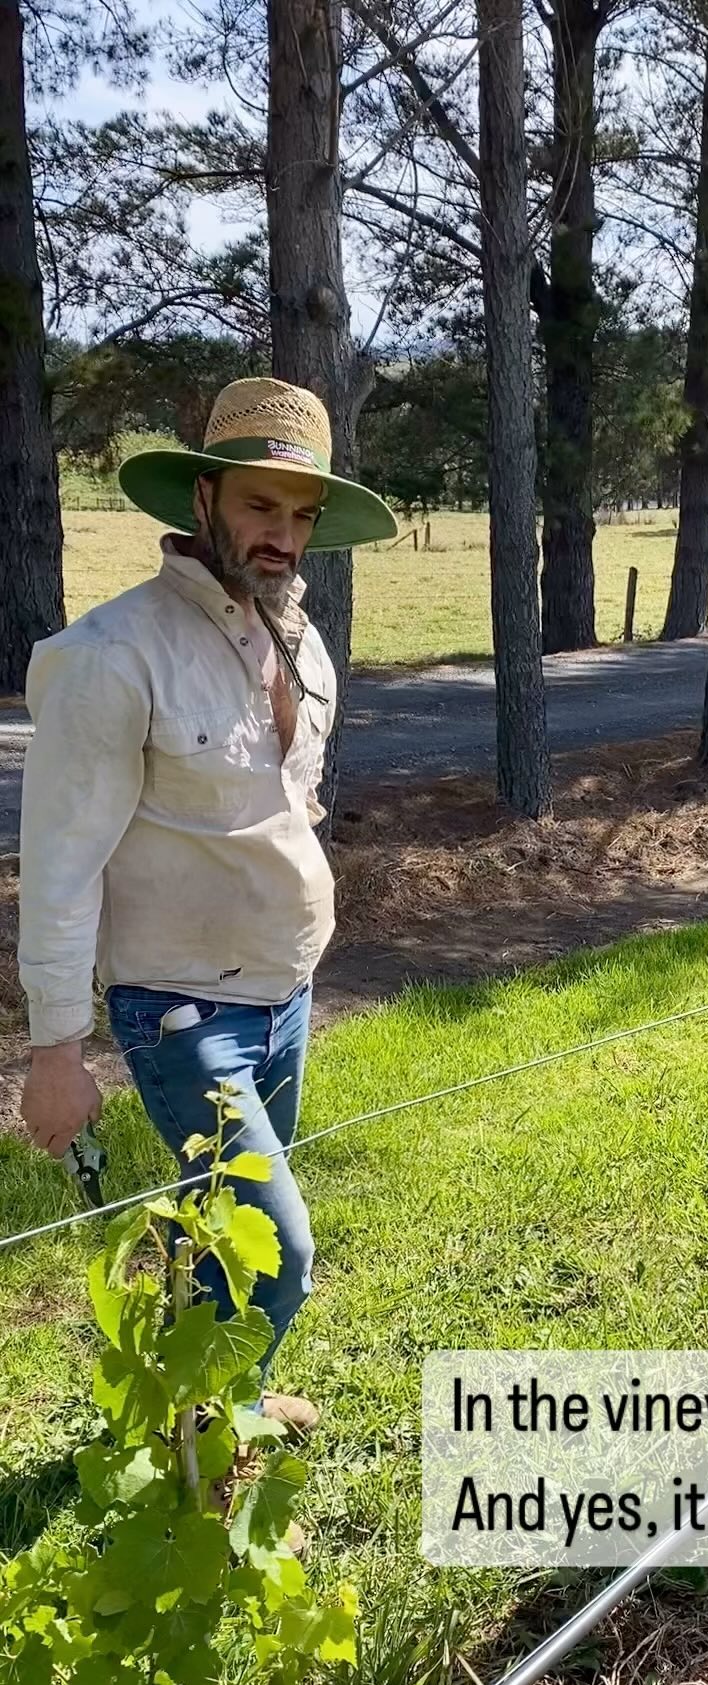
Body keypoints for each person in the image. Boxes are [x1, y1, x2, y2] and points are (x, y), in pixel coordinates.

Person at [18, 377, 397, 1457]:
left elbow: (287, 804)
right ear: (204, 502)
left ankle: (217, 1400)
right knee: (281, 1250)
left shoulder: (301, 647)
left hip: (285, 988)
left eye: (300, 514)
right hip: (181, 1005)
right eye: (258, 506)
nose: (281, 536)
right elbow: (58, 865)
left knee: (221, 1227)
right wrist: (55, 1051)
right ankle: (196, 1452)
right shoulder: (112, 657)